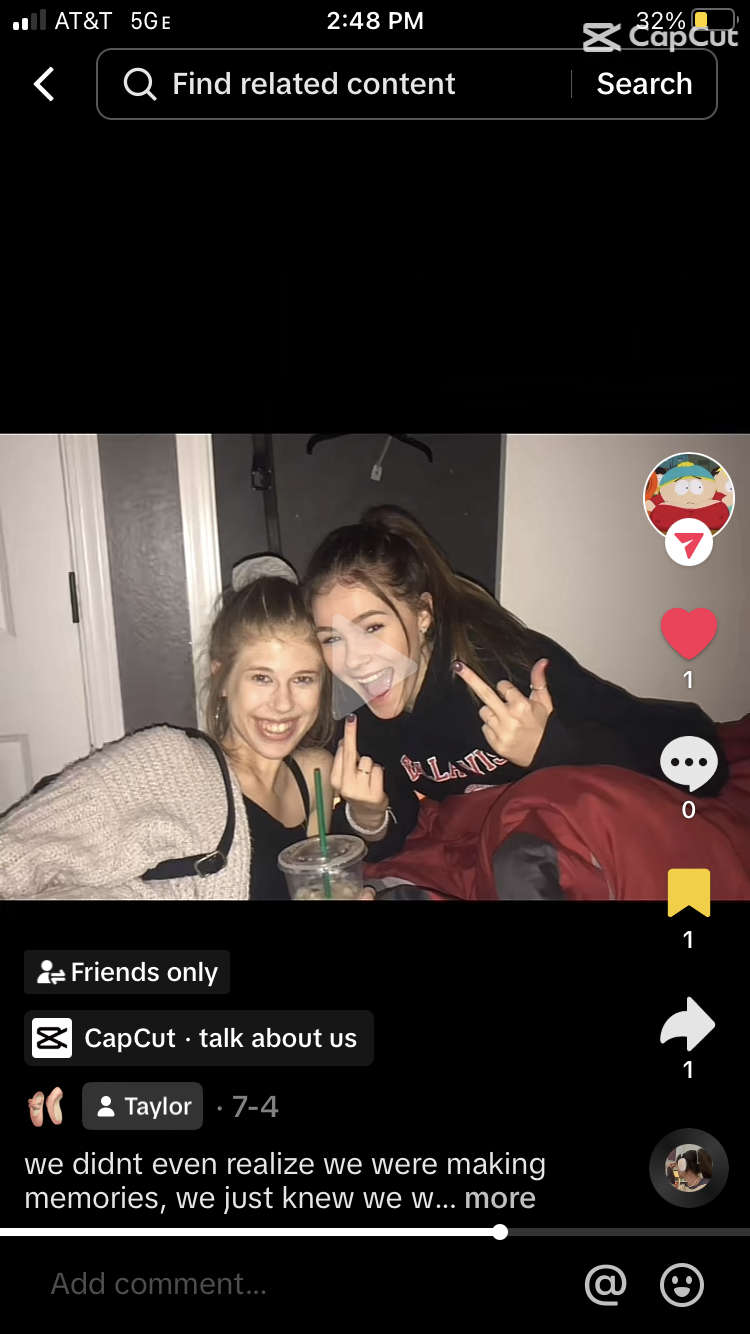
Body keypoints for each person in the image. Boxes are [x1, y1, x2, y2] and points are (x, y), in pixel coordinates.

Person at [304, 505, 729, 887]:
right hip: (494, 846)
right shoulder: (363, 715)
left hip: (570, 839)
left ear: (423, 614)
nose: (353, 661)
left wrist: (551, 746)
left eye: (373, 627)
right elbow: (390, 829)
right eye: (332, 639)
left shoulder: (507, 669)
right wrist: (368, 815)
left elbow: (696, 756)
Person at [0, 557, 342, 901]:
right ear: (222, 678)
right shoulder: (170, 764)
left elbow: (313, 889)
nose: (283, 703)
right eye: (262, 678)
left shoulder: (316, 774)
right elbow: (10, 856)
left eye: (303, 679)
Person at [646, 458, 730, 533]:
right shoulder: (665, 494)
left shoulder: (711, 493)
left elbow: (722, 498)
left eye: (698, 487)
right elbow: (653, 502)